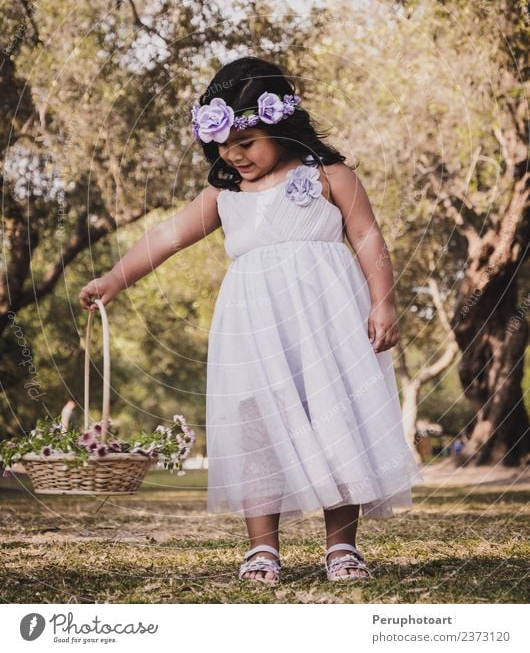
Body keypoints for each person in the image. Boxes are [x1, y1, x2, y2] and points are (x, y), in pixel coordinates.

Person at [79, 56, 424, 585]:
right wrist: (114, 278)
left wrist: (384, 301)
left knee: (337, 418)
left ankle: (342, 547)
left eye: (247, 142)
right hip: (254, 329)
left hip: (329, 324)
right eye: (222, 144)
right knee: (256, 428)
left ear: (282, 124)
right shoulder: (224, 197)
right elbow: (165, 238)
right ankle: (262, 549)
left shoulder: (331, 178)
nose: (233, 155)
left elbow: (368, 237)